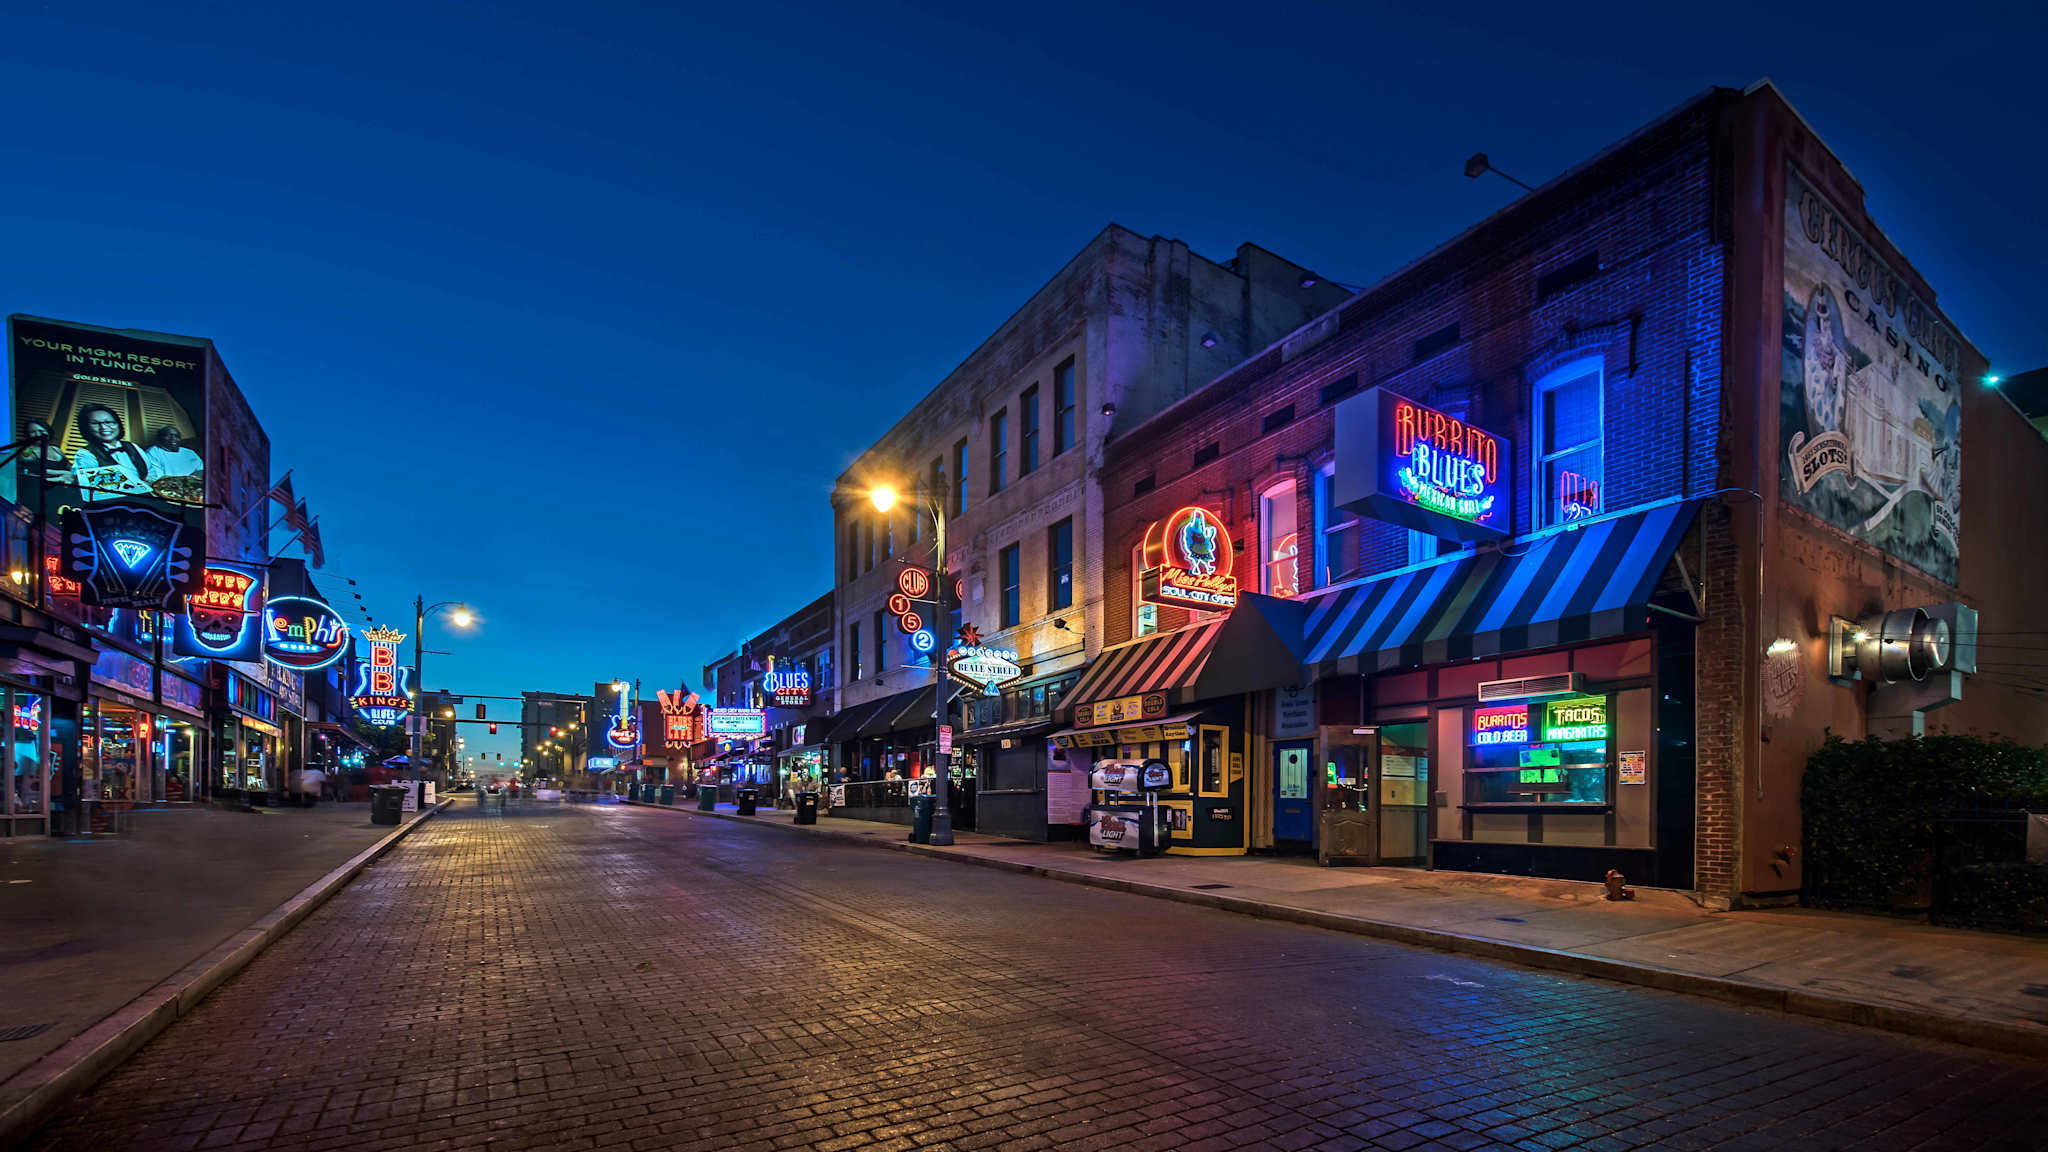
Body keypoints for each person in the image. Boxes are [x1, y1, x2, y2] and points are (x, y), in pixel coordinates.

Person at [70, 405, 158, 500]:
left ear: (118, 424)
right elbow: (88, 481)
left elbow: (150, 471)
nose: (103, 427)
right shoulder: (85, 453)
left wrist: (148, 485)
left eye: (108, 422)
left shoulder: (132, 446)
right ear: (86, 428)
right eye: (95, 423)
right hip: (112, 504)